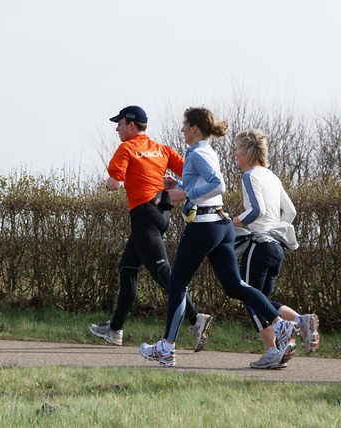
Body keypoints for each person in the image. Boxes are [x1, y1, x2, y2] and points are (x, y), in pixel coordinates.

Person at [139, 107, 299, 367]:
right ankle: (279, 324)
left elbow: (218, 184)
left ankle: (166, 348)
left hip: (203, 225)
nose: (181, 130)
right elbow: (206, 187)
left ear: (193, 128)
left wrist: (184, 195)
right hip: (221, 224)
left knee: (177, 285)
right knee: (235, 286)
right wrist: (177, 186)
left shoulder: (200, 152)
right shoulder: (205, 152)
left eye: (184, 125)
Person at [88, 106, 213, 352]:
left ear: (132, 125)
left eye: (120, 123)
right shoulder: (163, 149)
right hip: (160, 215)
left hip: (144, 217)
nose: (117, 128)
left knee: (162, 272)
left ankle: (196, 318)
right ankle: (114, 330)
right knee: (126, 267)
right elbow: (191, 173)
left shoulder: (127, 148)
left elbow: (114, 184)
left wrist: (107, 183)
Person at [231, 129, 320, 369]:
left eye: (237, 149)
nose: (235, 154)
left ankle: (273, 351)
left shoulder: (250, 175)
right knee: (263, 300)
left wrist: (231, 223)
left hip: (258, 247)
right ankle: (301, 320)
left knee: (250, 299)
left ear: (248, 153)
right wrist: (275, 231)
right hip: (277, 248)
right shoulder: (272, 176)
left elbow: (255, 212)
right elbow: (290, 212)